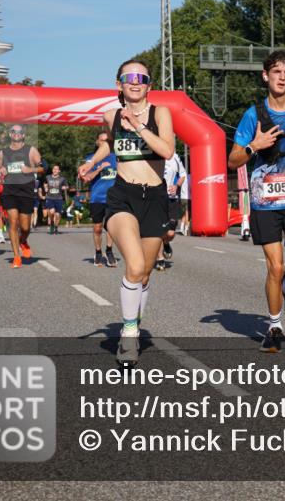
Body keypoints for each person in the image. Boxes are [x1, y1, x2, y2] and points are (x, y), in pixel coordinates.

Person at [78, 58, 174, 367]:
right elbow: (110, 145)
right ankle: (130, 332)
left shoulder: (161, 113)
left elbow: (167, 150)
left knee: (144, 273)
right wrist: (92, 163)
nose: (135, 81)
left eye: (141, 77)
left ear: (149, 84)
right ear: (119, 83)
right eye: (128, 76)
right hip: (122, 196)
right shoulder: (111, 115)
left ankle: (133, 321)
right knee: (133, 265)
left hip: (155, 197)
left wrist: (140, 127)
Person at [228, 50, 285, 353]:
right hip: (265, 201)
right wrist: (253, 146)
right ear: (265, 76)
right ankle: (274, 326)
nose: (281, 77)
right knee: (275, 266)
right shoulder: (253, 115)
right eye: (275, 72)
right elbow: (233, 160)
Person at [0, 124, 44, 269]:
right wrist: (1, 171)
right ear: (10, 134)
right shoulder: (3, 152)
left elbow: (42, 168)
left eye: (19, 132)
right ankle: (17, 257)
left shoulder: (31, 150)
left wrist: (31, 169)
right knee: (13, 221)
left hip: (26, 191)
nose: (16, 134)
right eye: (13, 132)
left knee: (25, 227)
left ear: (23, 135)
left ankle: (23, 241)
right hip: (10, 190)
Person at [84, 132, 118, 268]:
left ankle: (109, 251)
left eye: (107, 141)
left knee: (111, 227)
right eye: (102, 141)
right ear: (97, 143)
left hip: (114, 198)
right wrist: (99, 169)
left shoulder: (117, 158)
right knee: (97, 228)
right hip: (97, 198)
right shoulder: (91, 159)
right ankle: (98, 252)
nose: (105, 143)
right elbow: (87, 178)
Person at [156, 152, 187, 271]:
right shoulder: (152, 154)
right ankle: (160, 259)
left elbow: (183, 175)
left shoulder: (174, 156)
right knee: (158, 230)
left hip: (171, 199)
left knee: (170, 233)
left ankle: (166, 243)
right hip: (156, 199)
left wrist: (176, 186)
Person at [42, 165, 69, 234]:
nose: (55, 170)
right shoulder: (48, 177)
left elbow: (67, 186)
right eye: (54, 169)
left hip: (59, 198)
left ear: (59, 171)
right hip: (50, 197)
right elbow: (44, 183)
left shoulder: (62, 179)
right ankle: (51, 223)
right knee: (51, 212)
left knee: (57, 215)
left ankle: (56, 227)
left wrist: (64, 187)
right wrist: (45, 188)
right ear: (52, 170)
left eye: (57, 169)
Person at [237, 163, 251, 241]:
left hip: (247, 190)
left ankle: (245, 230)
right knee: (245, 212)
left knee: (245, 212)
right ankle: (245, 230)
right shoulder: (242, 166)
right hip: (245, 191)